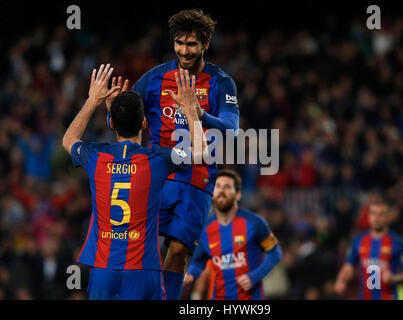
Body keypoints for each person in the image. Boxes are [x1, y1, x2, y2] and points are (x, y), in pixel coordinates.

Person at [108, 9, 240, 300]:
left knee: (179, 252)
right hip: (159, 174)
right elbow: (122, 118)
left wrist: (198, 113)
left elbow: (232, 131)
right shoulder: (155, 78)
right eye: (179, 43)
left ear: (205, 44)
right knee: (141, 244)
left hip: (197, 178)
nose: (184, 50)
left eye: (192, 44)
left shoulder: (221, 82)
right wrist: (111, 110)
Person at [62, 63, 207, 299]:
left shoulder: (95, 157)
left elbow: (69, 139)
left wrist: (93, 100)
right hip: (143, 271)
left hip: (103, 270)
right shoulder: (158, 160)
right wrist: (190, 110)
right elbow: (200, 151)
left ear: (112, 123)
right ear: (144, 123)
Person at [184, 169, 282, 300]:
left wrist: (254, 277)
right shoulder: (205, 229)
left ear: (238, 195)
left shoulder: (255, 223)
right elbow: (198, 261)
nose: (222, 191)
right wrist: (191, 274)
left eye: (227, 187)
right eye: (217, 187)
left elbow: (275, 252)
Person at [334, 198, 403, 300]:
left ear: (387, 217)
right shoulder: (358, 240)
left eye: (381, 214)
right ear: (369, 216)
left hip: (391, 297)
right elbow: (348, 266)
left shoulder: (398, 242)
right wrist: (340, 280)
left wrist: (393, 278)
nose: (377, 217)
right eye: (373, 213)